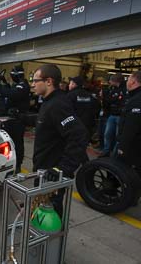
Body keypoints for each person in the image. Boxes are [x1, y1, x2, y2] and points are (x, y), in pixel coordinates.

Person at [31, 64, 88, 216]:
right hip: (43, 169)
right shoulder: (48, 101)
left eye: (35, 81)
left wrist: (63, 168)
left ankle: (51, 238)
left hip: (52, 174)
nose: (32, 84)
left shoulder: (58, 104)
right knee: (41, 208)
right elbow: (47, 122)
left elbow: (79, 135)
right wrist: (22, 117)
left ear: (48, 81)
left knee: (50, 212)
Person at [2, 66, 30, 173]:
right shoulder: (17, 85)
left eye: (13, 75)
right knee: (9, 142)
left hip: (18, 120)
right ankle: (9, 161)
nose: (12, 77)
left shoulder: (23, 86)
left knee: (17, 142)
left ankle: (18, 164)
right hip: (11, 119)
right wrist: (5, 83)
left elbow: (11, 94)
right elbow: (11, 91)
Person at [117, 71, 141, 175]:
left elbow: (131, 126)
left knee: (121, 172)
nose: (127, 82)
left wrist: (122, 147)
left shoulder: (136, 100)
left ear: (133, 82)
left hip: (133, 146)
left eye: (128, 79)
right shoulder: (134, 97)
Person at [100, 73, 126, 157]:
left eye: (110, 80)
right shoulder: (113, 89)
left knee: (118, 136)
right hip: (112, 115)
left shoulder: (125, 89)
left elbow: (120, 101)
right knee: (107, 134)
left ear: (115, 80)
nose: (109, 82)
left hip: (120, 116)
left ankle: (115, 154)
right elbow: (109, 100)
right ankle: (106, 151)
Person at [66, 76, 99, 141]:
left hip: (73, 126)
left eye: (70, 83)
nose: (69, 85)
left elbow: (66, 111)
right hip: (87, 126)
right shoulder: (90, 96)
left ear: (74, 84)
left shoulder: (70, 95)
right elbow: (96, 109)